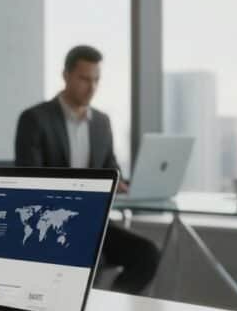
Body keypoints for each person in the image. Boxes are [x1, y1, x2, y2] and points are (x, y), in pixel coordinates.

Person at [14, 45, 160, 294]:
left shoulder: (102, 122)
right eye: (84, 79)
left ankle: (113, 306)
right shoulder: (35, 119)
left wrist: (120, 183)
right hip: (52, 223)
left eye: (96, 80)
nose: (91, 87)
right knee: (93, 256)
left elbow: (110, 166)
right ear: (66, 75)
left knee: (147, 253)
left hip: (94, 222)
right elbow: (30, 179)